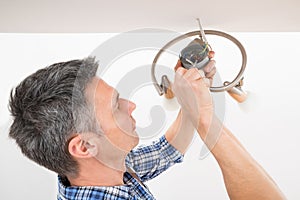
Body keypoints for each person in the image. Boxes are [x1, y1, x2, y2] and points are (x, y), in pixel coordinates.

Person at [8, 57, 285, 199]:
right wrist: (205, 118)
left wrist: (188, 96)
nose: (131, 106)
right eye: (116, 106)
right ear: (84, 146)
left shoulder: (101, 170)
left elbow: (167, 150)